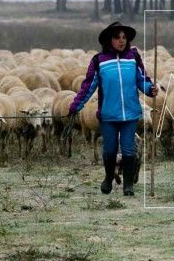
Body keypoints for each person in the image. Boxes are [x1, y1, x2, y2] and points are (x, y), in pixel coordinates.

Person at [66, 21, 157, 196]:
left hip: (130, 113)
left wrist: (149, 89)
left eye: (124, 37)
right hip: (108, 115)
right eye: (117, 37)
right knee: (109, 150)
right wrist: (76, 105)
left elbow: (142, 79)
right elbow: (88, 86)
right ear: (109, 39)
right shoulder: (99, 61)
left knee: (129, 150)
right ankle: (108, 178)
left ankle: (128, 185)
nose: (121, 41)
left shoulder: (133, 57)